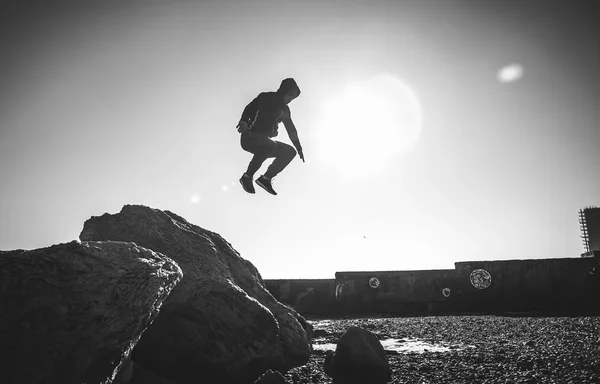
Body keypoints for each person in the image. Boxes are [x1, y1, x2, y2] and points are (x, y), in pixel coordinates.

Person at [236, 78, 305, 195]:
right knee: (270, 145)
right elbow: (249, 108)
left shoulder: (285, 110)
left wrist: (299, 148)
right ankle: (247, 176)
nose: (291, 99)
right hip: (249, 137)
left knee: (289, 152)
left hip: (263, 143)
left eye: (294, 98)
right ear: (284, 90)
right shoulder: (265, 97)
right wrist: (243, 121)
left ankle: (266, 178)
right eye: (290, 95)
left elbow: (291, 129)